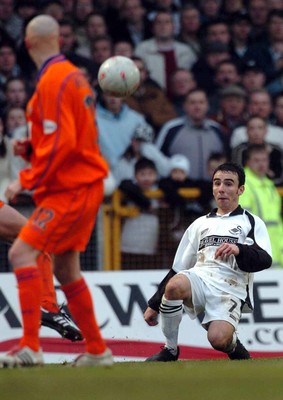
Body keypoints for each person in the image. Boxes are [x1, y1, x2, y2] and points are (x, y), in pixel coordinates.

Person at [0, 14, 113, 368]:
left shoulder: (52, 80)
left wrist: (26, 178)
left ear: (28, 43)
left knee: (21, 254)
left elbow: (62, 144)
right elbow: (69, 137)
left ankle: (31, 346)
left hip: (70, 188)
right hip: (83, 184)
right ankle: (97, 350)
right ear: (58, 41)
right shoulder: (74, 77)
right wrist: (32, 150)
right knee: (66, 268)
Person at [144, 162, 272, 361]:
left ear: (241, 190)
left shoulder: (251, 222)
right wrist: (154, 304)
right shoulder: (199, 224)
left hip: (230, 289)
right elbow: (178, 268)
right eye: (217, 183)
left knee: (218, 340)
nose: (221, 188)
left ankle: (232, 345)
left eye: (228, 184)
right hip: (200, 279)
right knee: (175, 285)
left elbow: (265, 259)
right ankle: (170, 350)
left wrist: (240, 250)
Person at [240, 144, 283, 268]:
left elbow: (277, 222)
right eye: (256, 160)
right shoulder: (245, 185)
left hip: (276, 252)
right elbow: (243, 223)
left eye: (264, 160)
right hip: (258, 252)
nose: (261, 164)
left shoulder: (269, 184)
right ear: (248, 162)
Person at [119, 157, 161, 270]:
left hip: (150, 243)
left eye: (150, 174)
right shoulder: (129, 190)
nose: (146, 178)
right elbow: (124, 184)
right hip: (129, 244)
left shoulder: (160, 191)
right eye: (142, 174)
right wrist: (146, 203)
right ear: (135, 175)